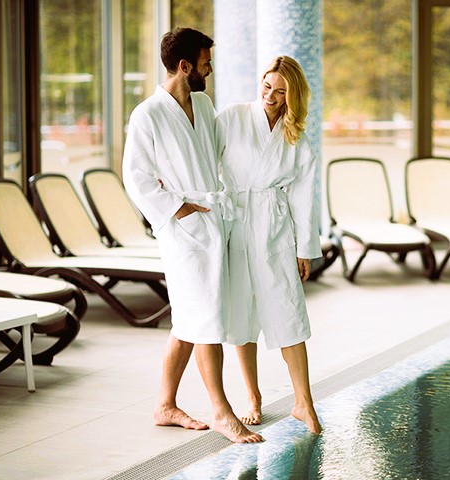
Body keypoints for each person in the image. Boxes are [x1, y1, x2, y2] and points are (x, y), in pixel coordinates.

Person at [122, 27, 263, 444]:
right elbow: (136, 178)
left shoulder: (202, 103)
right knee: (207, 320)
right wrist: (178, 209)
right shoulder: (147, 114)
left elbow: (222, 151)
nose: (210, 69)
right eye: (205, 63)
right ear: (184, 67)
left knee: (189, 319)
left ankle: (165, 405)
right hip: (183, 230)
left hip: (213, 220)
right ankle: (222, 411)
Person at [215, 55, 323, 434]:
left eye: (280, 91)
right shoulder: (231, 117)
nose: (271, 96)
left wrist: (304, 247)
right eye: (267, 87)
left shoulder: (295, 135)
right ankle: (253, 397)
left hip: (274, 226)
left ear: (293, 95)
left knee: (288, 311)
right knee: (241, 315)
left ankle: (303, 402)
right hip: (235, 222)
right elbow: (201, 159)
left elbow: (304, 194)